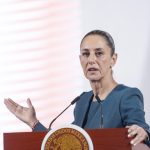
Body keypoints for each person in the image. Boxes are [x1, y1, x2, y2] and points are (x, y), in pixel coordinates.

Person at [4, 30, 150, 147]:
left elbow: (139, 130)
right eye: (86, 54)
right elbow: (66, 142)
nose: (91, 59)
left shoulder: (127, 95)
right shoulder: (82, 101)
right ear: (80, 60)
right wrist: (33, 122)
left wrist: (142, 132)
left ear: (113, 59)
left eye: (99, 53)